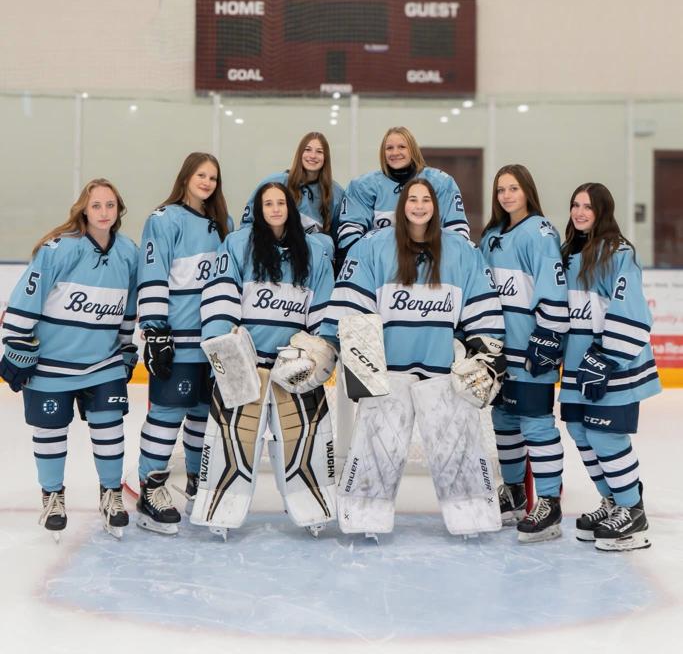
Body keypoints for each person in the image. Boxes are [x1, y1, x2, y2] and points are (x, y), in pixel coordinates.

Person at [321, 178, 504, 536]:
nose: (419, 206)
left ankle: (471, 516)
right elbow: (352, 308)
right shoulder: (373, 247)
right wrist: (360, 368)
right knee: (377, 448)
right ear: (402, 205)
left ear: (436, 207)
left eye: (426, 200)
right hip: (388, 373)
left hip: (444, 373)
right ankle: (364, 515)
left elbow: (482, 310)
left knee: (458, 448)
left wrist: (484, 356)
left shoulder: (461, 251)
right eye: (412, 199)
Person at [193, 181, 336, 534]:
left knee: (303, 439)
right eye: (267, 203)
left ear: (290, 208)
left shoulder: (314, 252)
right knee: (232, 441)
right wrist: (226, 352)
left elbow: (323, 308)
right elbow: (220, 295)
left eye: (280, 203)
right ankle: (220, 512)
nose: (274, 209)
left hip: (294, 368)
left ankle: (314, 510)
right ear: (258, 210)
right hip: (248, 366)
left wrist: (319, 351)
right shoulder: (238, 244)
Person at [0, 179, 138, 538]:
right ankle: (52, 497)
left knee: (110, 427)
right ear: (84, 210)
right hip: (51, 365)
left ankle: (111, 495)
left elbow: (129, 308)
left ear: (119, 210)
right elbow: (26, 298)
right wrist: (16, 344)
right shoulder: (59, 249)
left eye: (110, 205)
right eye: (97, 206)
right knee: (50, 432)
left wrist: (126, 347)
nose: (104, 212)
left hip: (103, 363)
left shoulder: (128, 252)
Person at [560, 183, 661, 551]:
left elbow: (632, 310)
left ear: (603, 211)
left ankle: (633, 511)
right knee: (580, 432)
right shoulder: (568, 254)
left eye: (588, 206)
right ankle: (613, 501)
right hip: (577, 365)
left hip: (612, 364)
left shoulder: (619, 253)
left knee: (606, 436)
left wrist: (606, 356)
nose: (580, 212)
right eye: (575, 205)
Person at [136, 152, 230, 534]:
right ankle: (150, 491)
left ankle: (196, 484)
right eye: (201, 175)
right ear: (186, 177)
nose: (207, 182)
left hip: (213, 341)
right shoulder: (164, 219)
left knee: (203, 417)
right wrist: (155, 329)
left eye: (213, 177)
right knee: (166, 415)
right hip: (177, 339)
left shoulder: (222, 224)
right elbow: (153, 271)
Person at [480, 164, 569, 542]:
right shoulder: (491, 236)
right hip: (498, 350)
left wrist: (548, 338)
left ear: (527, 191)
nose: (506, 195)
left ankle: (548, 502)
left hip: (531, 347)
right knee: (504, 420)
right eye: (501, 189)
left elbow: (554, 289)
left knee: (536, 423)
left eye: (513, 188)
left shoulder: (540, 232)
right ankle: (515, 494)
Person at [336, 126, 469, 256]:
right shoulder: (362, 186)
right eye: (389, 148)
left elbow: (457, 230)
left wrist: (444, 260)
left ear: (413, 149)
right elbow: (349, 235)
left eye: (402, 147)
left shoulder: (441, 182)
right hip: (379, 261)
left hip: (432, 259)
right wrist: (372, 261)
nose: (395, 153)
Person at [239, 131, 344, 258]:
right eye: (308, 150)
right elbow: (248, 222)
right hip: (271, 254)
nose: (313, 156)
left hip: (309, 260)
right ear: (300, 153)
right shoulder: (275, 183)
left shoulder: (336, 193)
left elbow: (337, 239)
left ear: (326, 157)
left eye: (319, 151)